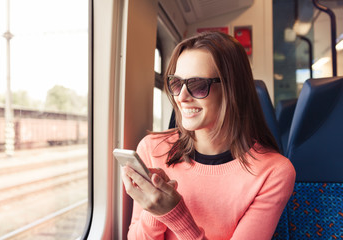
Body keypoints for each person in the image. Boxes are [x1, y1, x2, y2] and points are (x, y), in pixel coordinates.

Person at [121, 31, 296, 240]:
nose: (181, 97)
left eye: (197, 85)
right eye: (176, 83)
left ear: (233, 89)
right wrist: (154, 210)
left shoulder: (274, 172)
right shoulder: (152, 148)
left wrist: (176, 215)